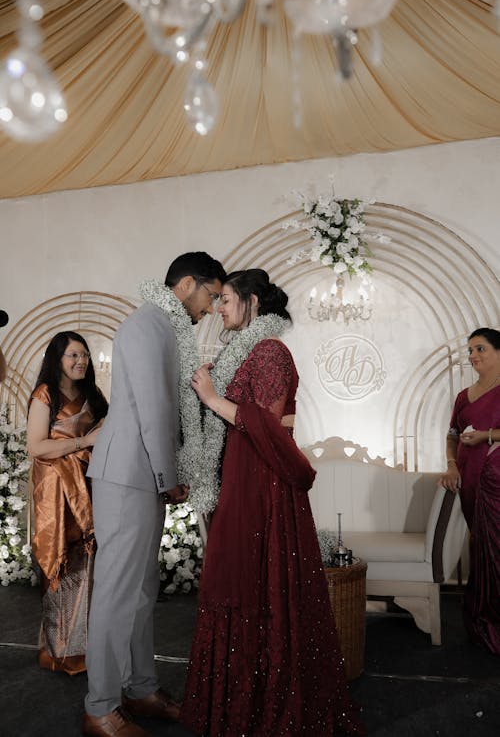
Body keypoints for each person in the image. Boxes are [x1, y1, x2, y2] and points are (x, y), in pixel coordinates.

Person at [181, 269, 364, 737]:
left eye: (226, 300)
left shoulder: (270, 351)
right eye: (217, 299)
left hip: (262, 487)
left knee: (256, 584)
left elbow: (263, 426)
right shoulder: (248, 350)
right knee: (241, 582)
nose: (219, 308)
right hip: (246, 480)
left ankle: (263, 705)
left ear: (253, 303)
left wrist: (210, 397)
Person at [83, 252, 225, 737]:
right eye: (209, 295)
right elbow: (153, 407)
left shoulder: (167, 327)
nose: (208, 308)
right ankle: (100, 706)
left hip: (141, 473)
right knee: (116, 595)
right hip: (127, 473)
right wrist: (171, 475)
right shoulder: (148, 324)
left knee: (143, 592)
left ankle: (140, 688)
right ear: (186, 284)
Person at [27, 331, 108, 675]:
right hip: (56, 493)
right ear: (57, 359)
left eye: (84, 355)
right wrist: (83, 441)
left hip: (87, 487)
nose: (81, 361)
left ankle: (84, 646)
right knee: (61, 560)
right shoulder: (46, 395)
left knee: (88, 562)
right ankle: (59, 650)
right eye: (73, 356)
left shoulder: (92, 393)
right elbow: (37, 447)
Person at [438, 327, 500, 655]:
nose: (473, 356)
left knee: (496, 549)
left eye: (481, 349)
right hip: (469, 479)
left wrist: (487, 435)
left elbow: (485, 434)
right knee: (480, 548)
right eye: (471, 350)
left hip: (496, 480)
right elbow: (452, 434)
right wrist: (451, 465)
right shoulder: (464, 396)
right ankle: (480, 623)